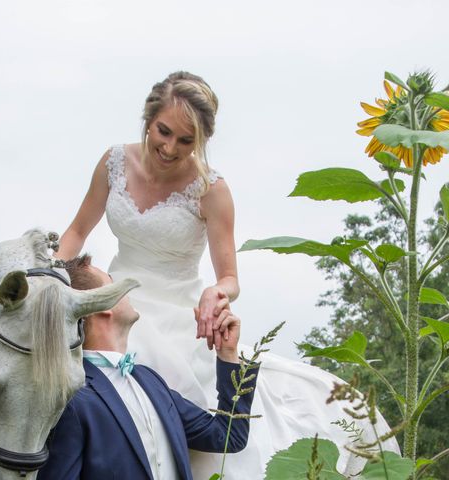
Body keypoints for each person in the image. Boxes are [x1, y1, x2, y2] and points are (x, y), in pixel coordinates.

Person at [56, 71, 399, 478]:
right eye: (163, 132)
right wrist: (54, 279)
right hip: (117, 298)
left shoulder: (211, 189)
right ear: (148, 119)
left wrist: (217, 293)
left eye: (186, 141)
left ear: (202, 140)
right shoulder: (114, 162)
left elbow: (230, 277)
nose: (169, 148)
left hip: (178, 311)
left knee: (177, 402)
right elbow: (77, 231)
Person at [37, 255, 258, 480]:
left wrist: (228, 354)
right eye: (113, 283)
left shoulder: (150, 380)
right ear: (102, 305)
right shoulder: (71, 400)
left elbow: (228, 436)